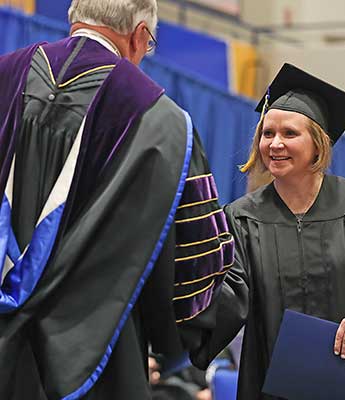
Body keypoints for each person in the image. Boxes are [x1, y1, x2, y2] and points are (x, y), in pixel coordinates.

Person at [0, 0, 233, 399]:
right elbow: (184, 263)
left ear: (74, 18)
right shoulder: (164, 122)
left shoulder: (5, 75)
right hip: (97, 355)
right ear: (140, 35)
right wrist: (177, 340)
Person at [182, 63, 345, 399]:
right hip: (276, 388)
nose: (275, 144)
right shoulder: (242, 219)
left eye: (289, 134)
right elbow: (227, 300)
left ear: (318, 144)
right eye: (267, 134)